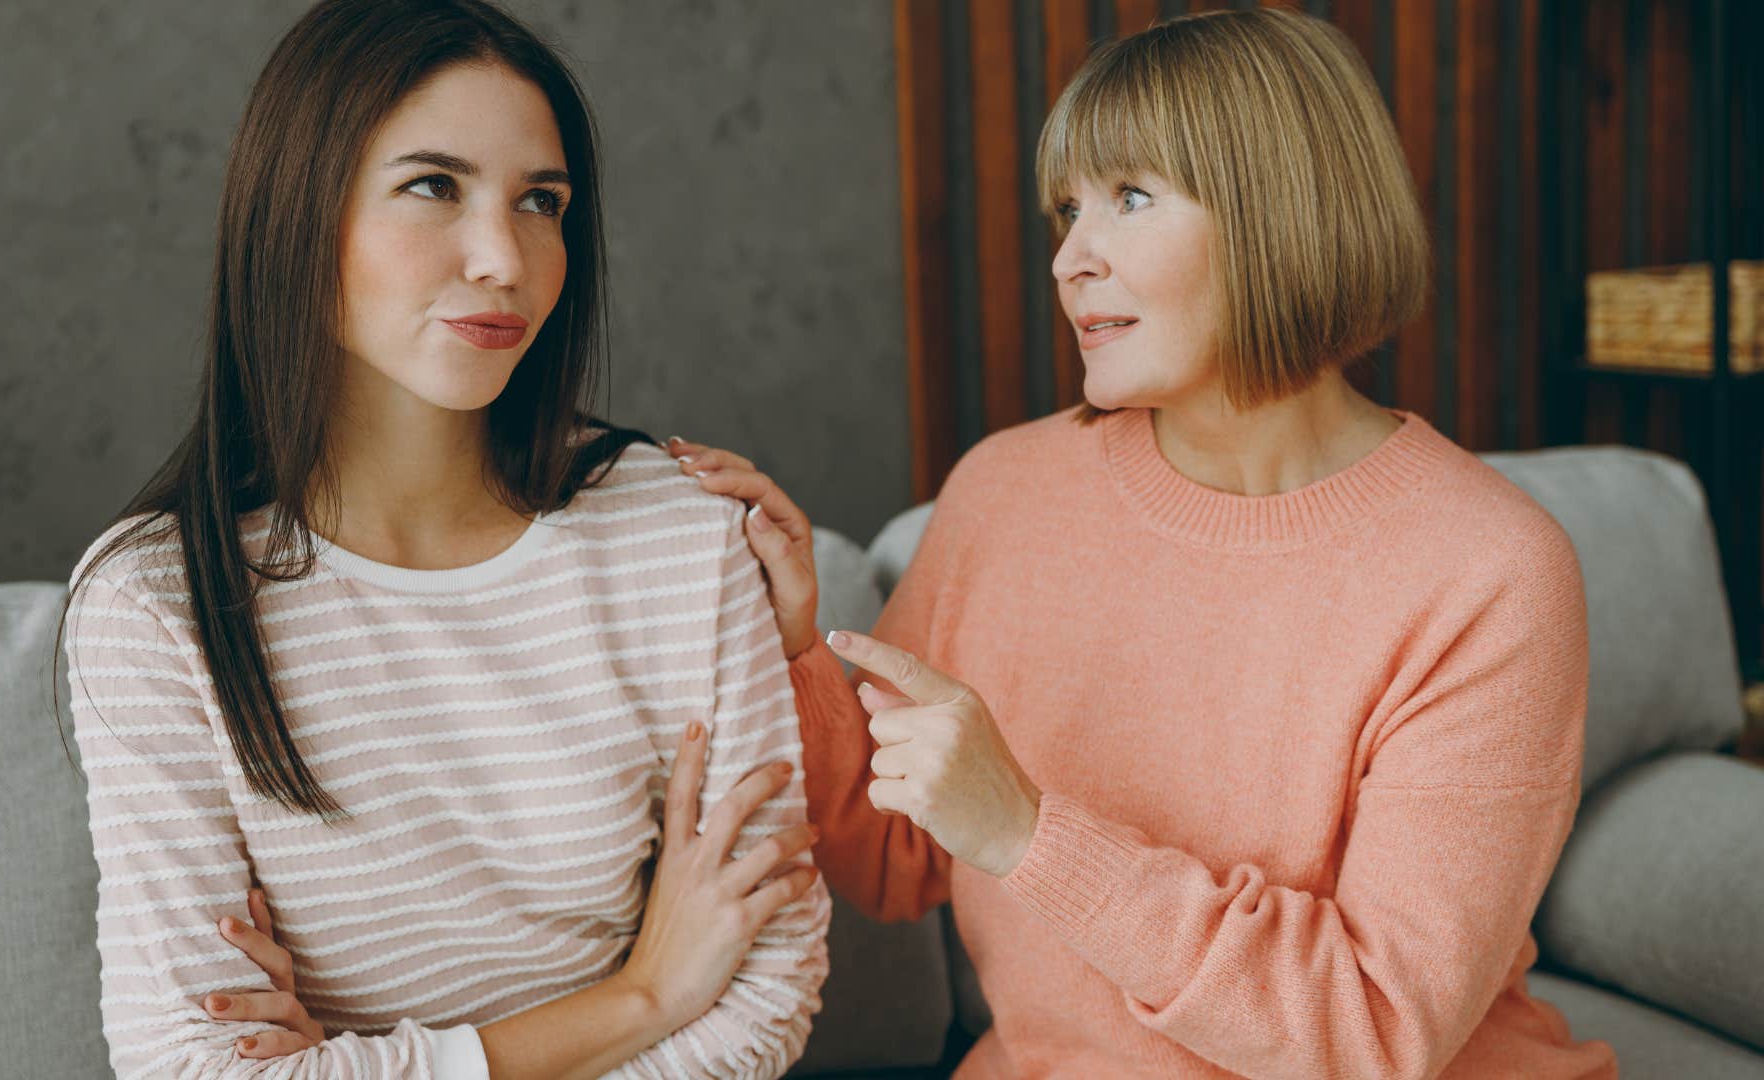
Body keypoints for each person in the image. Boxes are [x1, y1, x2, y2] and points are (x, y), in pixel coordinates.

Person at [672, 9, 1619, 1078]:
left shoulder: (1489, 570)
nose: (1072, 259)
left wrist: (1034, 838)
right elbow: (887, 854)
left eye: (1129, 198)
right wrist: (798, 647)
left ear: (1280, 211)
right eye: (1066, 211)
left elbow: (1371, 1031)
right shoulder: (1006, 495)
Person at [60, 2, 828, 1077]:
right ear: (297, 210)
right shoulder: (156, 605)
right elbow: (196, 1069)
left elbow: (766, 994)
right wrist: (642, 996)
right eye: (434, 185)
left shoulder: (678, 532)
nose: (503, 258)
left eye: (542, 202)